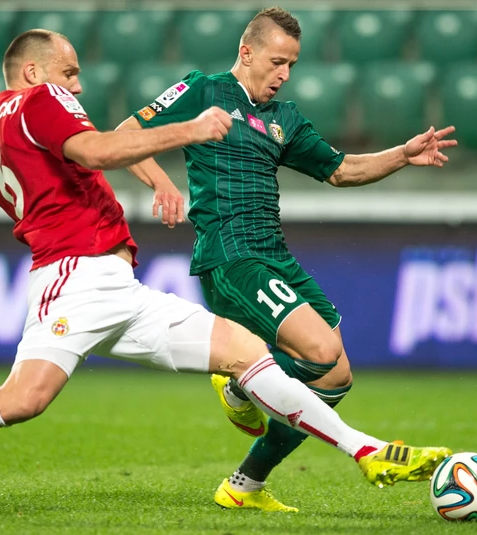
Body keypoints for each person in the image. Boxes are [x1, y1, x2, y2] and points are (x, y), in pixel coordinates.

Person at [0, 29, 450, 501]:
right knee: (22, 400)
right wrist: (189, 130)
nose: (77, 86)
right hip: (73, 280)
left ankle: (366, 451)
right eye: (69, 72)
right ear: (31, 72)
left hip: (117, 285)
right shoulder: (40, 102)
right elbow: (96, 149)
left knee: (246, 354)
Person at [116, 7, 458, 512]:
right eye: (278, 62)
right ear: (246, 52)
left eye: (292, 65)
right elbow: (125, 134)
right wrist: (163, 183)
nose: (285, 74)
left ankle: (245, 485)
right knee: (319, 351)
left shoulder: (285, 119)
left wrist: (402, 155)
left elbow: (341, 170)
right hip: (231, 256)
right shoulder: (203, 90)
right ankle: (239, 380)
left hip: (275, 255)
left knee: (335, 377)